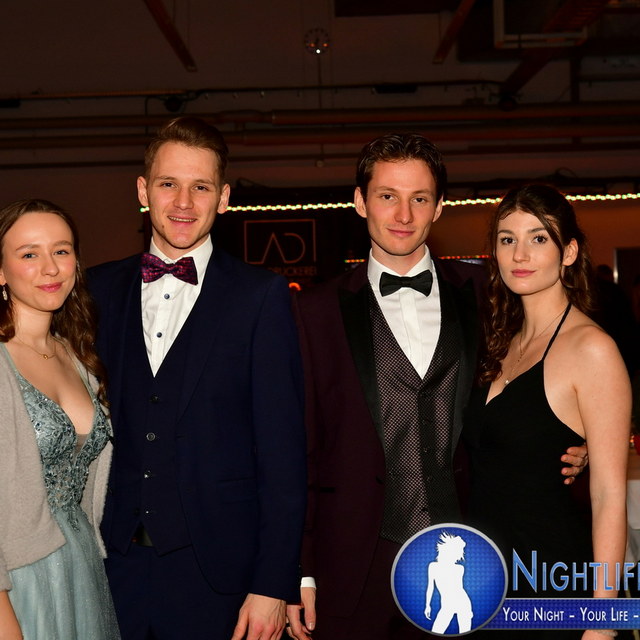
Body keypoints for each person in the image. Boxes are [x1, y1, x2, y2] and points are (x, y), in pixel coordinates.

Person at [288, 135, 586, 640]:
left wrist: (583, 439)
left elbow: (557, 371)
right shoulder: (312, 312)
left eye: (420, 198)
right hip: (354, 565)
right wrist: (302, 570)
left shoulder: (490, 294)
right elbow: (297, 450)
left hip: (473, 553)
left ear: (440, 207)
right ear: (360, 202)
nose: (403, 214)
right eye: (387, 196)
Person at [88, 117, 306, 640]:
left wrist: (272, 583)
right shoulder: (95, 289)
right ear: (143, 191)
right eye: (168, 184)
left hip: (218, 576)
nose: (183, 202)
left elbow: (283, 455)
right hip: (108, 566)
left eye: (201, 187)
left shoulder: (260, 297)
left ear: (224, 198)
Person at [463, 184, 630, 639]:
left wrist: (602, 623)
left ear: (569, 252)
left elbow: (609, 497)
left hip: (551, 587)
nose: (520, 253)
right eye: (507, 239)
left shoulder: (592, 349)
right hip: (484, 585)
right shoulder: (500, 340)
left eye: (538, 238)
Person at [0, 199, 119, 639]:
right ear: (1, 271)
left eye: (61, 251)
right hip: (19, 577)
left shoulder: (78, 357)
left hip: (80, 565)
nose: (50, 268)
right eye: (29, 254)